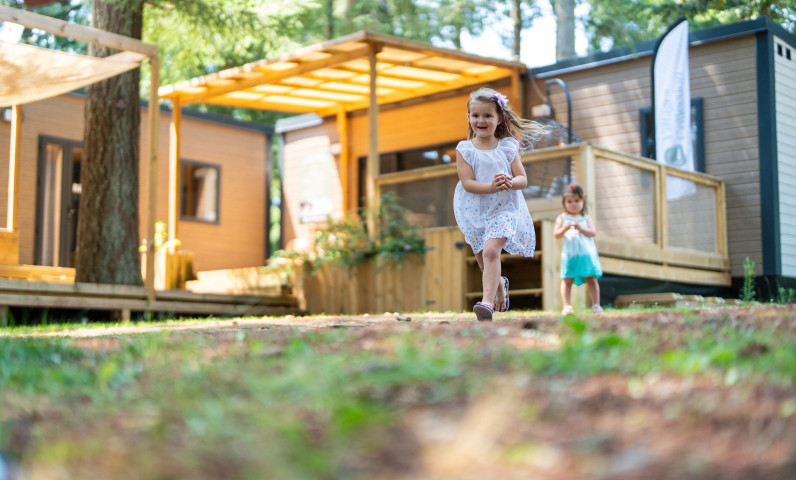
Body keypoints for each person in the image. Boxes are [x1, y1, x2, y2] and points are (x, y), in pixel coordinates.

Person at [453, 87, 546, 321]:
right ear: (468, 118)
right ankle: (499, 287)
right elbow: (467, 183)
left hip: (503, 209)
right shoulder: (465, 150)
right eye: (475, 115)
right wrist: (490, 187)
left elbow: (522, 179)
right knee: (484, 259)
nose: (481, 120)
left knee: (492, 251)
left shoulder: (507, 146)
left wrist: (509, 182)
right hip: (474, 209)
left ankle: (486, 304)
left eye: (487, 115)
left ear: (498, 119)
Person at [554, 182, 603, 314]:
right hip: (570, 255)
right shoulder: (562, 218)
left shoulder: (586, 218)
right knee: (567, 279)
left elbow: (593, 232)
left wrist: (581, 228)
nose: (574, 204)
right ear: (564, 203)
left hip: (587, 255)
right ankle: (567, 306)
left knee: (591, 278)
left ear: (583, 201)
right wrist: (564, 227)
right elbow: (556, 234)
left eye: (577, 200)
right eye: (570, 201)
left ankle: (596, 305)